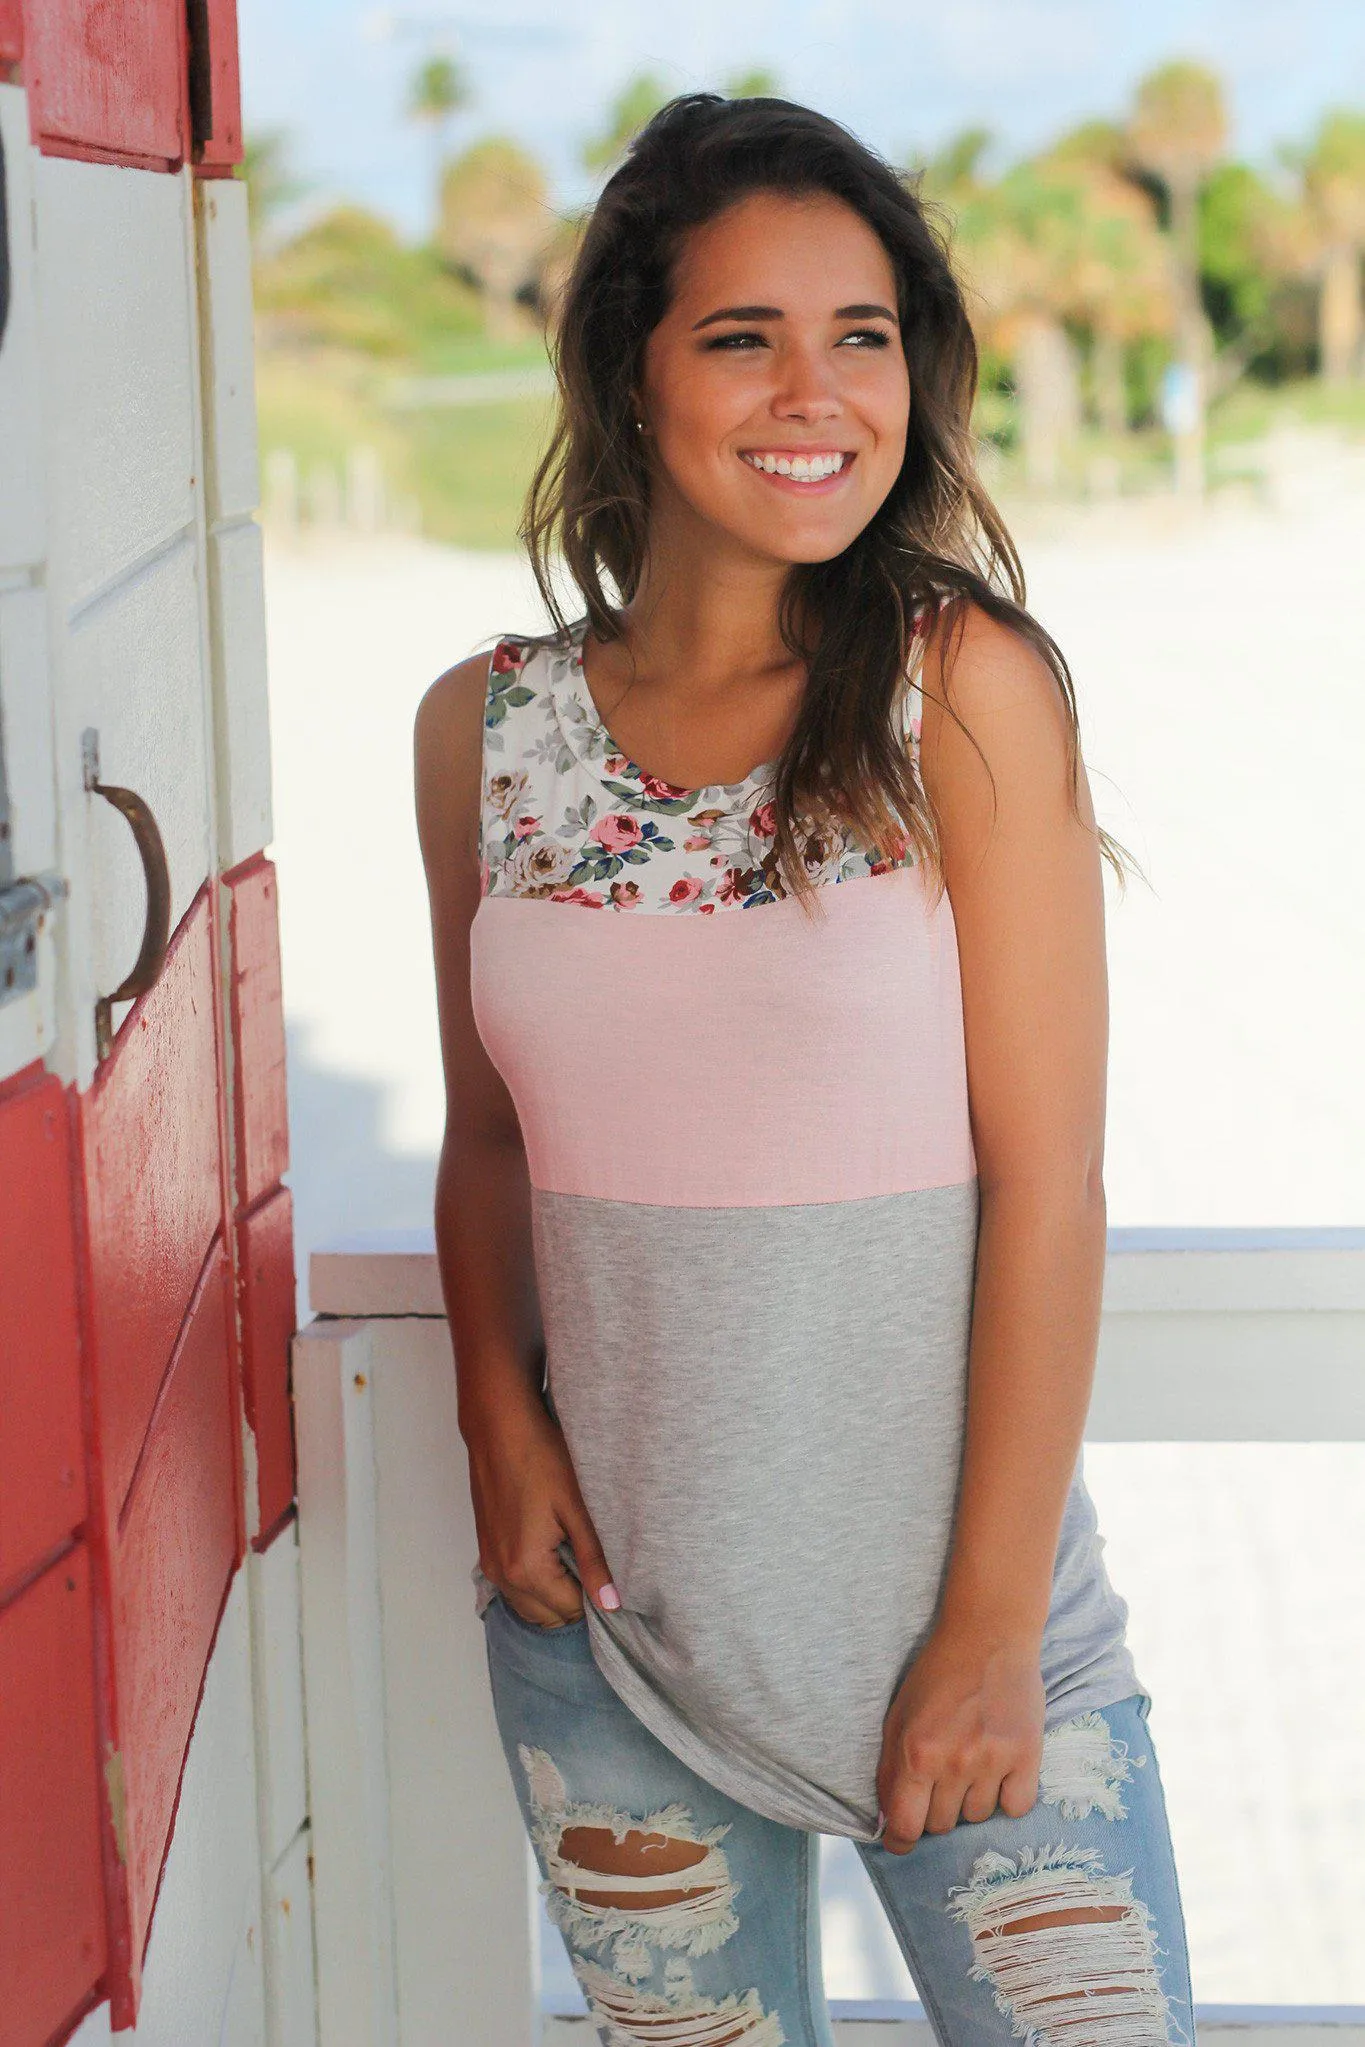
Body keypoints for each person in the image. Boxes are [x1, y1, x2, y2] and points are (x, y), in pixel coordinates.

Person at [415, 91, 1195, 2047]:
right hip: (617, 1662)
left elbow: (1049, 1184)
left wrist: (994, 1632)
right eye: (741, 333)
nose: (815, 388)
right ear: (628, 368)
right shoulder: (486, 734)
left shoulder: (959, 688)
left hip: (972, 1657)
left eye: (861, 334)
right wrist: (497, 1437)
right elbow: (494, 1141)